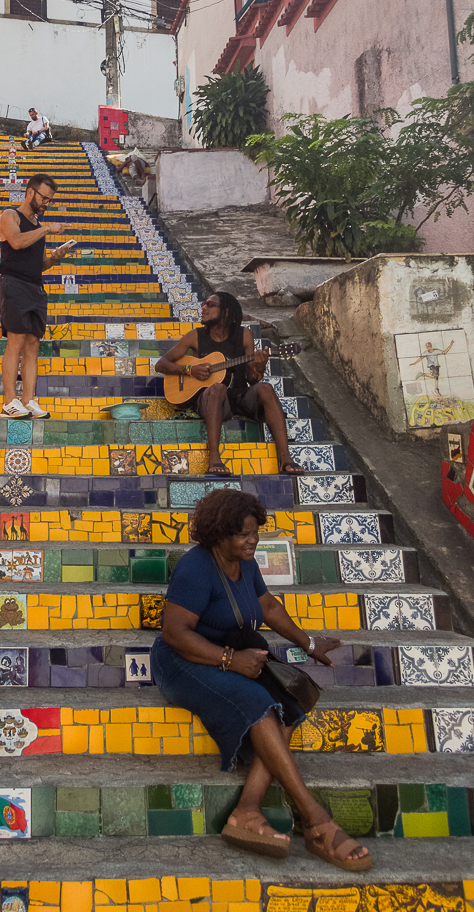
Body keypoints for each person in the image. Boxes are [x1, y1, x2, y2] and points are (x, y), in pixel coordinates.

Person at [151, 489, 372, 872]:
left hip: (232, 654)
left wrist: (310, 642)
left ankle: (248, 811)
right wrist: (229, 660)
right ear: (219, 534)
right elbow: (175, 633)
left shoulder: (246, 564)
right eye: (242, 534)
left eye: (255, 532)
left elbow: (267, 606)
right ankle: (316, 820)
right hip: (183, 661)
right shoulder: (196, 567)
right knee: (258, 704)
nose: (252, 540)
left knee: (288, 703)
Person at [155, 290, 305, 477]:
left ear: (226, 312)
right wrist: (189, 370)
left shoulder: (244, 335)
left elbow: (253, 379)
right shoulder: (195, 336)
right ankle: (214, 458)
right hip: (212, 399)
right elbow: (161, 364)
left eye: (210, 305)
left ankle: (286, 458)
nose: (203, 307)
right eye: (203, 304)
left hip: (240, 396)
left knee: (265, 388)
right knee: (217, 388)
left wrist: (259, 366)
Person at [0, 173, 74, 419]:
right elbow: (17, 243)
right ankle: (10, 403)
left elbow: (37, 264)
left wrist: (53, 258)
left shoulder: (39, 227)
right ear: (30, 192)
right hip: (13, 285)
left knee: (33, 345)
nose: (46, 204)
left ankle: (28, 402)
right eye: (44, 198)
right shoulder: (10, 216)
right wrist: (49, 229)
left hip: (35, 287)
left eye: (50, 201)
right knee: (16, 342)